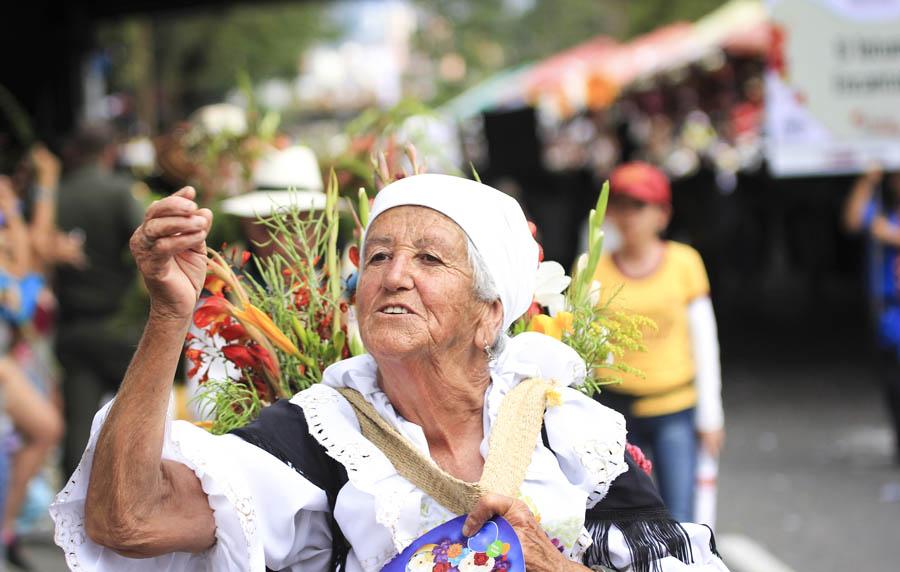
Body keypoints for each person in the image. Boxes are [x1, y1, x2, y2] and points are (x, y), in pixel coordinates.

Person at [50, 174, 727, 571]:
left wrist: (547, 561)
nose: (394, 275)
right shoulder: (318, 437)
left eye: (429, 261)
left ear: (491, 315)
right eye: (376, 258)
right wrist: (170, 316)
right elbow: (125, 518)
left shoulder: (570, 436)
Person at [593, 162, 725, 523]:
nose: (628, 216)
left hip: (674, 410)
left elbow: (705, 343)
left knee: (682, 517)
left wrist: (711, 416)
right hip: (615, 415)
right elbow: (583, 350)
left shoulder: (685, 263)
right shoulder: (594, 269)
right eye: (620, 205)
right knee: (625, 522)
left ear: (662, 214)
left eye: (639, 206)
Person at [54, 123, 145, 477]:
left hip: (73, 325)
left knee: (78, 425)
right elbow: (146, 247)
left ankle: (69, 517)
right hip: (118, 326)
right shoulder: (120, 192)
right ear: (109, 152)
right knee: (136, 418)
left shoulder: (58, 194)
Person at [843, 165, 900, 463]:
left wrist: (890, 235)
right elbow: (852, 220)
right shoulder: (882, 211)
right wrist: (866, 179)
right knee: (893, 382)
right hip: (891, 312)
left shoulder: (886, 224)